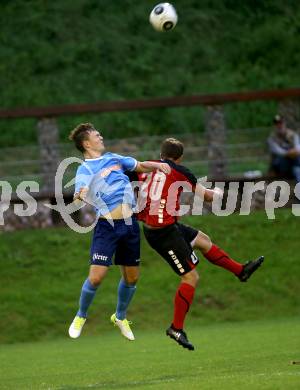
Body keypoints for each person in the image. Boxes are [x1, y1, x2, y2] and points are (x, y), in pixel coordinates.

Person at [133, 138, 264, 351]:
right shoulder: (181, 171)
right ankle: (176, 328)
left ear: (161, 154)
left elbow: (133, 175)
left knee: (203, 240)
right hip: (162, 234)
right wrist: (221, 193)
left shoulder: (147, 166)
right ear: (180, 157)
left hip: (163, 227)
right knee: (191, 276)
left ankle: (240, 271)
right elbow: (208, 198)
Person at [68, 123, 170, 341]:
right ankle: (81, 315)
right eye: (97, 135)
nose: (101, 137)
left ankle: (120, 316)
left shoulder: (114, 158)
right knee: (96, 278)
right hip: (107, 227)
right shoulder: (84, 169)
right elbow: (80, 190)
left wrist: (158, 165)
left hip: (130, 225)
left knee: (132, 278)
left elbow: (140, 166)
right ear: (87, 143)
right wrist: (80, 193)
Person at [268, 115, 300, 182]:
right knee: (285, 159)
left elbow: (298, 148)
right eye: (277, 124)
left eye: (281, 123)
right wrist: (290, 153)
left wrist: (293, 152)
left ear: (284, 123)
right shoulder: (272, 138)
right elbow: (278, 151)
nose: (279, 125)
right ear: (275, 125)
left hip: (294, 162)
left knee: (297, 169)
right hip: (280, 165)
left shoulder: (293, 135)